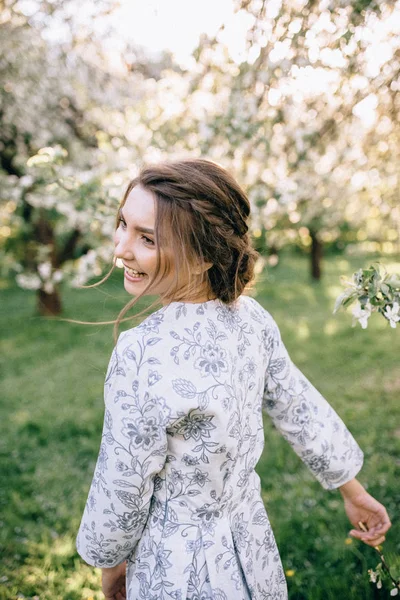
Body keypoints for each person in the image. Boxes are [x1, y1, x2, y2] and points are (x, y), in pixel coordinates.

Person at [76, 158, 391, 600]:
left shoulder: (140, 353)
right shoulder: (252, 320)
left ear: (205, 255)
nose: (121, 248)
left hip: (175, 565)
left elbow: (122, 481)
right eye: (123, 224)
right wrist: (352, 491)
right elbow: (298, 407)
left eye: (147, 238)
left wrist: (110, 565)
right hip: (252, 551)